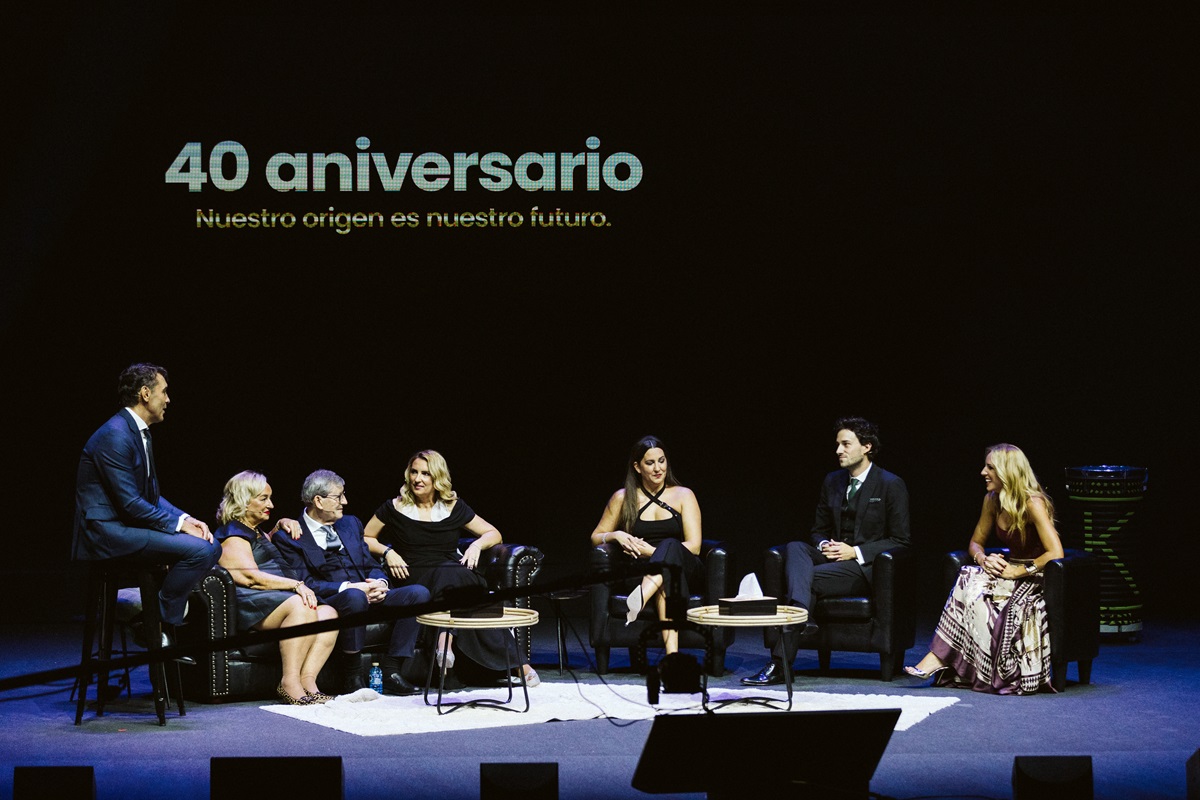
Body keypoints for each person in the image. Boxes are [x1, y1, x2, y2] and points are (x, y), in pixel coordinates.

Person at [743, 417, 911, 686]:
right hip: (832, 558)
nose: (838, 450)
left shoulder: (890, 484)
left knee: (802, 581)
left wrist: (854, 551)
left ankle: (780, 662)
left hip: (863, 568)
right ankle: (802, 614)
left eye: (846, 444)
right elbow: (818, 530)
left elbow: (900, 540)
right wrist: (824, 545)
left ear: (867, 446)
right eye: (837, 445)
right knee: (796, 547)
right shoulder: (832, 481)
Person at [364, 450, 539, 687]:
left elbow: (493, 533)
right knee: (463, 584)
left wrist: (476, 545)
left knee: (457, 577)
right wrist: (388, 552)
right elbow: (366, 537)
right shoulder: (394, 507)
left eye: (425, 473)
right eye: (414, 472)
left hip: (450, 574)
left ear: (437, 477)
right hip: (414, 576)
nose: (418, 479)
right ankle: (520, 665)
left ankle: (444, 641)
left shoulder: (453, 507)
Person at [73, 363, 221, 640]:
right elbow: (131, 504)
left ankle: (153, 620)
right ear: (145, 393)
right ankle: (158, 623)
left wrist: (187, 519)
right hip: (107, 532)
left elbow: (151, 496)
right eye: (164, 392)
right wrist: (179, 526)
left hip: (126, 526)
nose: (168, 399)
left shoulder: (138, 432)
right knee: (200, 550)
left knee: (211, 546)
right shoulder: (116, 434)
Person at [905, 444, 1063, 695]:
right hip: (1007, 572)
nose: (983, 472)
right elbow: (975, 543)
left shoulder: (1033, 503)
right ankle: (947, 659)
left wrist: (1018, 572)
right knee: (968, 575)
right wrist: (983, 559)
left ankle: (944, 658)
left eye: (990, 467)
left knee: (971, 583)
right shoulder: (992, 500)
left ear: (1007, 471)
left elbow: (1055, 552)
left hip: (1034, 577)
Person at [272, 470, 430, 695]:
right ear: (318, 501)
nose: (344, 502)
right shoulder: (290, 537)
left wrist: (380, 583)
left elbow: (369, 564)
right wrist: (352, 588)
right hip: (333, 599)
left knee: (418, 594)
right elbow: (306, 583)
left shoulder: (350, 524)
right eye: (338, 497)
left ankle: (392, 671)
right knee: (354, 597)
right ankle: (352, 675)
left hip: (367, 592)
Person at [213, 471, 340, 705]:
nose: (270, 504)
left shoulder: (254, 530)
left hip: (276, 598)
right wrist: (296, 585)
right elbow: (250, 578)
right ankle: (289, 682)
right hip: (253, 601)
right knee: (302, 605)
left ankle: (308, 682)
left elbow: (266, 553)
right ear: (243, 500)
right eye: (263, 498)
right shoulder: (233, 534)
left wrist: (281, 524)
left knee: (328, 614)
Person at [589, 436, 703, 657]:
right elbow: (595, 537)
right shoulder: (622, 498)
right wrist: (616, 535)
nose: (658, 468)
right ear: (637, 467)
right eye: (650, 463)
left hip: (684, 566)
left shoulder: (683, 495)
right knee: (665, 576)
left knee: (670, 547)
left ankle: (640, 596)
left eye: (662, 461)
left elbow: (695, 546)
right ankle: (672, 657)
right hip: (645, 571)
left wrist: (651, 552)